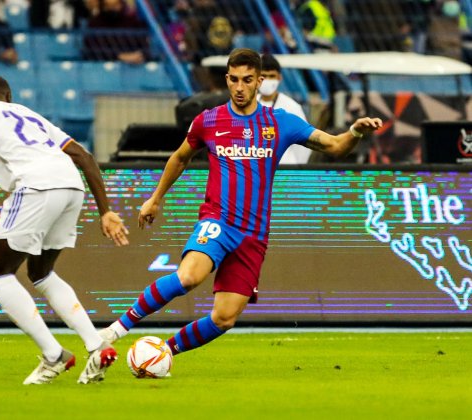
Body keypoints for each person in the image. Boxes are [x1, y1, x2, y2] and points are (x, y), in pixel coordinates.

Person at [99, 48, 382, 358]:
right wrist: (154, 199)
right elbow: (180, 157)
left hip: (253, 235)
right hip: (218, 221)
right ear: (227, 79)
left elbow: (335, 146)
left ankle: (161, 354)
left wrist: (355, 131)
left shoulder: (280, 122)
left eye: (247, 80)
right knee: (189, 276)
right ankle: (114, 330)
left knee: (224, 317)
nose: (239, 87)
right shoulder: (209, 120)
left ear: (259, 81)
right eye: (234, 80)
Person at [0, 75, 129, 385]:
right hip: (71, 186)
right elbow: (85, 157)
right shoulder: (31, 115)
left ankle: (54, 355)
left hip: (36, 186)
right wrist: (105, 210)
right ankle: (96, 344)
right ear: (8, 96)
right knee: (40, 272)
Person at [257, 53, 310, 164]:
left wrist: (294, 168)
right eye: (263, 76)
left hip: (284, 171)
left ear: (279, 77)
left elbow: (304, 145)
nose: (267, 80)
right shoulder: (248, 105)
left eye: (271, 76)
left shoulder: (292, 107)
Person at [82, 0, 149, 64]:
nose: (112, 9)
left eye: (115, 5)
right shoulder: (94, 24)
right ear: (102, 6)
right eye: (107, 6)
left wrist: (137, 56)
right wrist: (120, 56)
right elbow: (92, 50)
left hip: (134, 69)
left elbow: (144, 48)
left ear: (121, 4)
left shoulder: (133, 23)